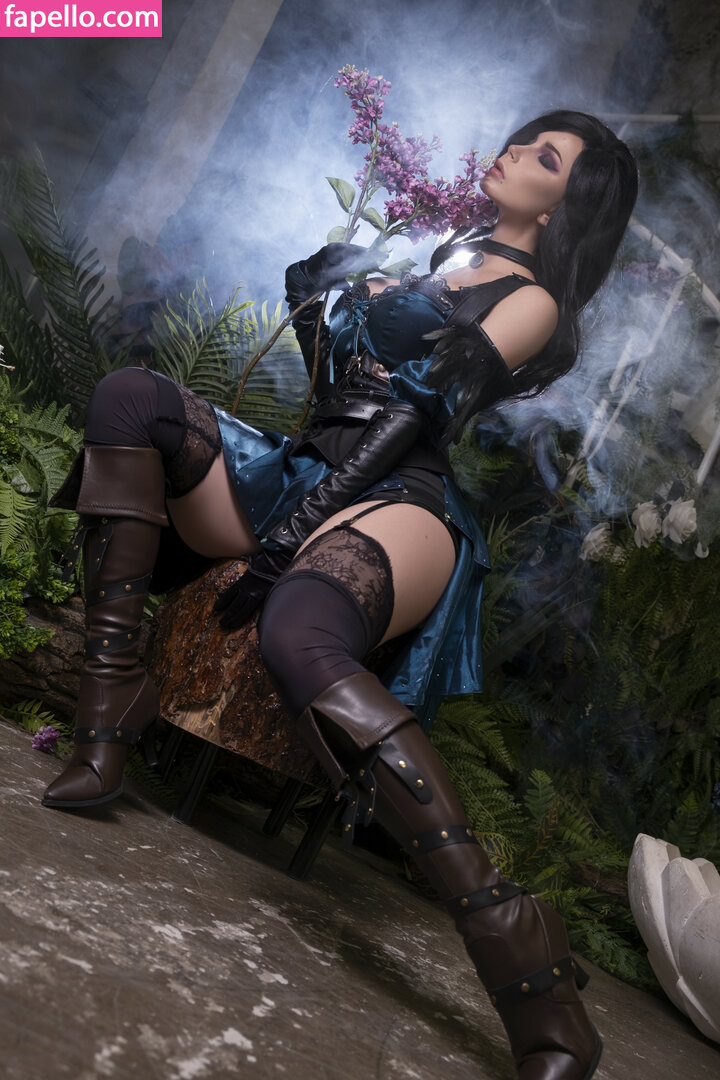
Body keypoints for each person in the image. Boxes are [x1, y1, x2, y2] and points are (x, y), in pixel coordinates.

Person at [40, 110, 638, 1080]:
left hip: (400, 497)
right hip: (309, 465)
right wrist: (320, 292)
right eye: (525, 138)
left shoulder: (530, 301)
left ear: (566, 207)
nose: (513, 153)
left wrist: (293, 532)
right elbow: (339, 382)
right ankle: (106, 724)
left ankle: (527, 964)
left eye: (544, 158)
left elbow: (411, 417)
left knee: (298, 631)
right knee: (129, 397)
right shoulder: (445, 250)